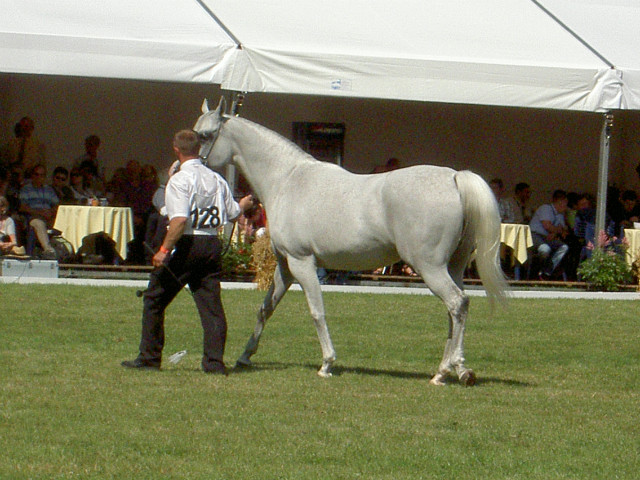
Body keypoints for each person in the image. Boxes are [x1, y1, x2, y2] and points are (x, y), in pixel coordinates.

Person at [122, 129, 253, 373]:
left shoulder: (180, 180)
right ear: (199, 150)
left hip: (187, 244)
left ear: (176, 150)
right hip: (211, 244)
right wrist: (243, 204)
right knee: (211, 307)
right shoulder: (216, 179)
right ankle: (214, 363)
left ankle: (149, 357)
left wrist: (163, 250)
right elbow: (233, 213)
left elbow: (180, 220)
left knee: (154, 298)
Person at [18, 164, 59, 259]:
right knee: (38, 223)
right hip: (33, 217)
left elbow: (57, 205)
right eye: (36, 174)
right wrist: (40, 213)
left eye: (42, 175)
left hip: (49, 217)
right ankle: (48, 250)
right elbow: (23, 207)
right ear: (32, 175)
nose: (39, 177)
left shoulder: (49, 190)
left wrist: (51, 212)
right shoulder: (26, 189)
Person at [529, 189, 570, 279]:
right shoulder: (546, 208)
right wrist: (555, 230)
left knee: (564, 247)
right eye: (565, 202)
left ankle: (546, 272)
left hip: (548, 238)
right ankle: (535, 272)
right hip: (535, 236)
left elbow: (563, 231)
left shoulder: (560, 214)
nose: (566, 205)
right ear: (559, 201)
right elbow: (547, 225)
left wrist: (555, 233)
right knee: (545, 249)